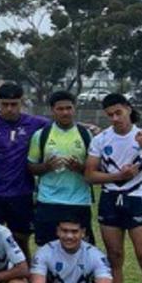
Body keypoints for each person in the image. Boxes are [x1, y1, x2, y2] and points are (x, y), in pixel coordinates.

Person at [84, 93, 142, 283]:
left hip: (136, 198)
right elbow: (90, 174)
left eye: (118, 112)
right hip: (110, 198)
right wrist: (118, 176)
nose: (115, 118)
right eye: (110, 114)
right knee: (114, 257)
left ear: (128, 109)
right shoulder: (101, 139)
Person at [0, 82, 49, 259]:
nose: (10, 109)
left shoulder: (35, 123)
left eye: (14, 104)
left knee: (21, 241)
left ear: (22, 102)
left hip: (22, 193)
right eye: (5, 104)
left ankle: (26, 282)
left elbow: (61, 125)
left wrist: (88, 127)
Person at [27, 90, 93, 246]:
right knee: (46, 247)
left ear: (74, 109)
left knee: (80, 248)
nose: (65, 112)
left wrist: (80, 168)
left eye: (69, 108)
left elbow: (96, 169)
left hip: (79, 201)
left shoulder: (86, 135)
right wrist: (46, 167)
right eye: (60, 109)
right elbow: (31, 166)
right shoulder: (41, 135)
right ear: (52, 110)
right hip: (49, 200)